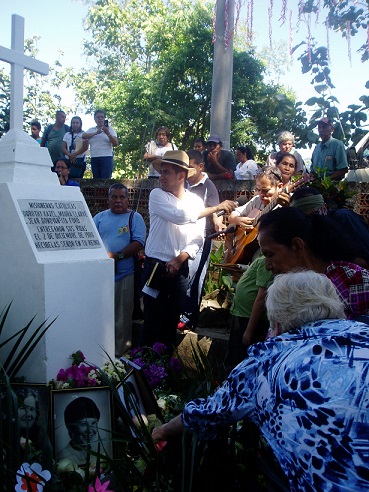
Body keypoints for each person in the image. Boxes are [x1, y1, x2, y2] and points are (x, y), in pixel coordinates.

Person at [152, 270, 369, 491]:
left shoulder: (268, 360)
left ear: (276, 321)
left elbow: (208, 412)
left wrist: (161, 431)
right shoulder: (363, 331)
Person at [140, 150, 237, 349]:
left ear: (181, 176)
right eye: (162, 172)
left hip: (181, 268)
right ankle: (144, 374)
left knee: (170, 324)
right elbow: (180, 216)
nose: (162, 177)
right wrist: (216, 208)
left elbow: (198, 238)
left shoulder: (195, 201)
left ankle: (164, 373)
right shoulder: (157, 195)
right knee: (151, 323)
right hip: (155, 267)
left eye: (166, 172)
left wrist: (179, 260)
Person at [258, 206, 369, 319]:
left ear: (297, 246)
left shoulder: (355, 281)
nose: (267, 266)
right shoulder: (284, 293)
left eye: (270, 255)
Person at [94, 183, 146, 356]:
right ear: (108, 199)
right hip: (101, 276)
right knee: (100, 315)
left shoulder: (134, 217)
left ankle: (120, 353)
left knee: (122, 318)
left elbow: (139, 242)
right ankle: (101, 352)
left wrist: (117, 256)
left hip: (125, 275)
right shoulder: (99, 217)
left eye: (122, 197)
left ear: (128, 199)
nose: (118, 201)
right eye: (114, 197)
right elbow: (91, 240)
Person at [178, 149, 223, 330]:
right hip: (181, 237)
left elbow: (216, 211)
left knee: (194, 278)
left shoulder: (208, 186)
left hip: (200, 239)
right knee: (181, 277)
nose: (187, 172)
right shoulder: (182, 184)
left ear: (200, 166)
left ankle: (188, 317)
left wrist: (218, 223)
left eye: (190, 168)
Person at [224, 255, 273, 372]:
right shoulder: (261, 258)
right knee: (234, 351)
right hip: (242, 314)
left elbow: (261, 296)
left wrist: (249, 329)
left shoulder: (265, 261)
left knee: (239, 356)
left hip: (248, 317)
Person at [57, 397, 101, 464]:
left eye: (93, 423)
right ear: (70, 427)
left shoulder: (100, 456)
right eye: (83, 424)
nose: (90, 430)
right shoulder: (61, 459)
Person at [82, 110, 119, 179]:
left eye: (102, 117)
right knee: (96, 180)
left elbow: (116, 143)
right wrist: (96, 133)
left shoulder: (110, 129)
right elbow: (83, 136)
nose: (100, 119)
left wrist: (107, 132)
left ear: (105, 118)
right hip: (94, 157)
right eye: (98, 117)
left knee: (105, 180)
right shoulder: (91, 129)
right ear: (94, 119)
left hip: (106, 157)